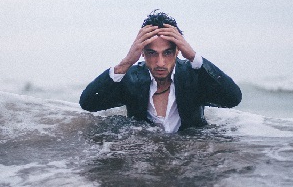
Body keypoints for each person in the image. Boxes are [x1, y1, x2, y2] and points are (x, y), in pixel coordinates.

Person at [79, 11, 242, 133]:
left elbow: (233, 98)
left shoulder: (194, 76)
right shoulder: (131, 78)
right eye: (152, 53)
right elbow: (88, 103)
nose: (160, 63)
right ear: (141, 52)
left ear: (178, 50)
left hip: (190, 158)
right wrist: (126, 62)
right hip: (145, 160)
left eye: (167, 52)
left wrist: (193, 56)